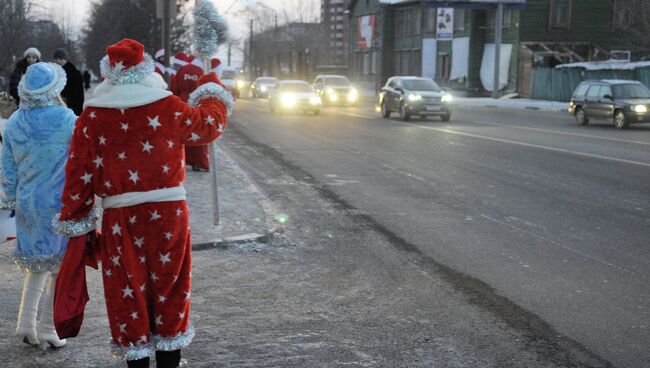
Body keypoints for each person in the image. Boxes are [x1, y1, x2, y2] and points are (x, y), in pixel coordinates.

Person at [54, 38, 231, 368]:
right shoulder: (168, 106)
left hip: (120, 216)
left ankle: (136, 359)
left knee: (126, 288)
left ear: (109, 72)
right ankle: (169, 359)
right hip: (169, 214)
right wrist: (210, 90)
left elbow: (78, 171)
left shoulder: (92, 116)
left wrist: (76, 217)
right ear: (145, 68)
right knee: (171, 285)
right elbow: (209, 125)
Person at [0, 62, 76, 349]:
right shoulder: (67, 119)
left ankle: (25, 324)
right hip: (58, 202)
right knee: (57, 267)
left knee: (35, 266)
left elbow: (7, 167)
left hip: (27, 203)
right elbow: (80, 160)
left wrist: (9, 197)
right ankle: (48, 328)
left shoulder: (16, 121)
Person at [173, 56, 210, 172]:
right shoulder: (201, 72)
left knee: (183, 132)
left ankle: (184, 160)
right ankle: (200, 162)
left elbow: (175, 87)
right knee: (198, 131)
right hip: (197, 103)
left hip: (183, 103)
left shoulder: (182, 70)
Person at [53, 48, 84, 115]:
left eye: (61, 59)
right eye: (56, 59)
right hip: (55, 105)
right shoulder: (52, 72)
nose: (58, 61)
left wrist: (75, 109)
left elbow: (79, 93)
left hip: (71, 107)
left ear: (66, 60)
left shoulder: (74, 73)